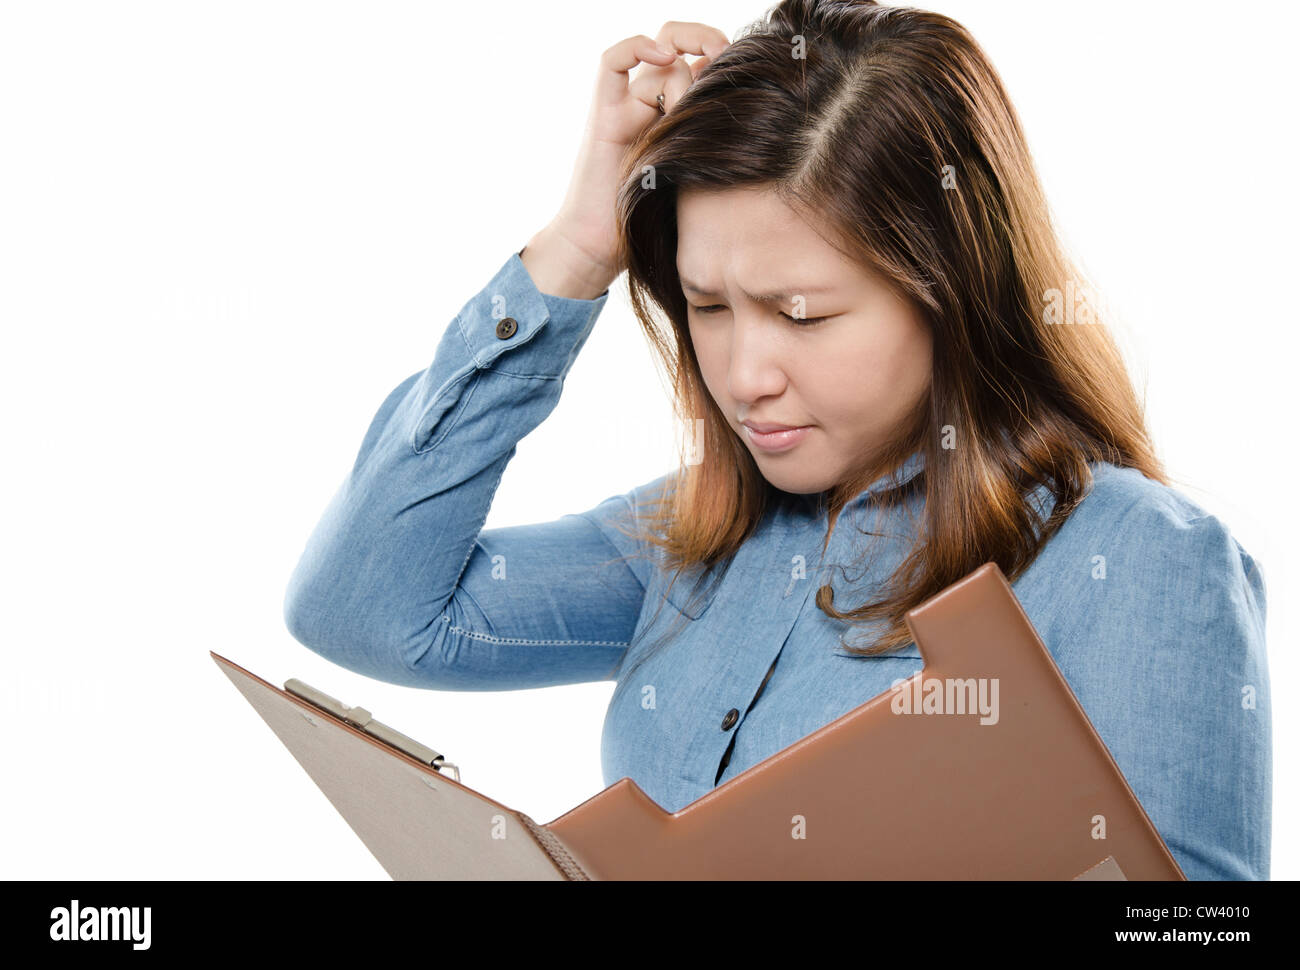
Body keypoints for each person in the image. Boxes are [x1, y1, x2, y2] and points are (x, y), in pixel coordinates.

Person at [282, 0, 1270, 880]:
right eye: (707, 305)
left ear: (952, 297)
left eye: (802, 315)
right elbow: (365, 612)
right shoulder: (687, 540)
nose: (743, 375)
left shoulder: (1138, 558)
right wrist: (583, 242)